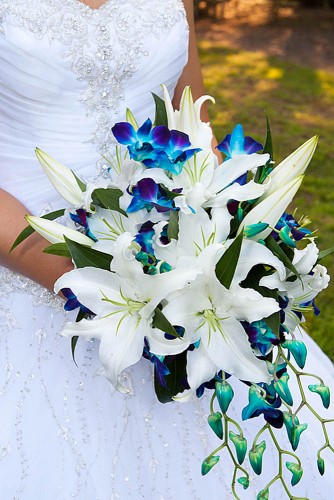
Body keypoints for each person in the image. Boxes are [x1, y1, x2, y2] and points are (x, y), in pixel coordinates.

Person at [0, 1, 333, 498]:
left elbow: (190, 122)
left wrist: (220, 239)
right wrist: (88, 280)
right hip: (30, 257)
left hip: (183, 254)